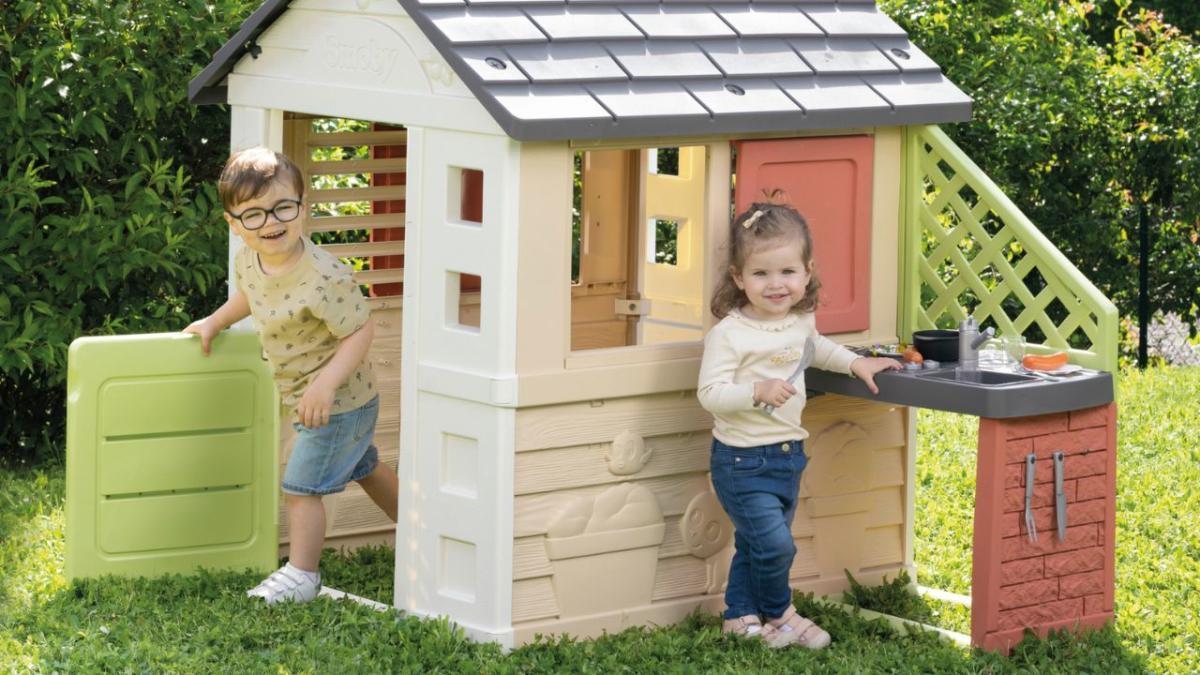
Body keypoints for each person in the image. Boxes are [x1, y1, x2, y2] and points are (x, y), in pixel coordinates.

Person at [184, 147, 399, 604]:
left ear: (303, 207)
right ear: (234, 224)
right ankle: (429, 531)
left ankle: (303, 574)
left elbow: (360, 331)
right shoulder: (249, 260)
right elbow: (251, 295)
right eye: (253, 214)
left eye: (282, 207)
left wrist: (326, 384)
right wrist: (215, 322)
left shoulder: (323, 277)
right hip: (309, 396)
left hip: (340, 402)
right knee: (364, 467)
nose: (270, 222)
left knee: (301, 488)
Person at [697, 196, 900, 649]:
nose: (776, 284)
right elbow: (710, 393)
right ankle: (781, 613)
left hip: (788, 457)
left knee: (756, 543)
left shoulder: (799, 320)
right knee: (776, 545)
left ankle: (740, 618)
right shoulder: (729, 334)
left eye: (787, 271)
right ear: (738, 278)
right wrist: (756, 390)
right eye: (761, 273)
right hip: (741, 461)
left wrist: (856, 363)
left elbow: (816, 348)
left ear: (807, 272)